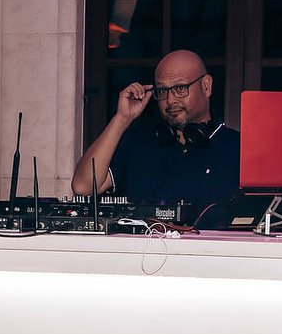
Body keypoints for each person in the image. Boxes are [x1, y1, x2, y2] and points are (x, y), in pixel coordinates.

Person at [71, 50, 239, 225]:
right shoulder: (137, 144)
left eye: (180, 88)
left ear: (206, 86)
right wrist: (122, 119)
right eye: (163, 90)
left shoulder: (238, 148)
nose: (170, 100)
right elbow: (83, 187)